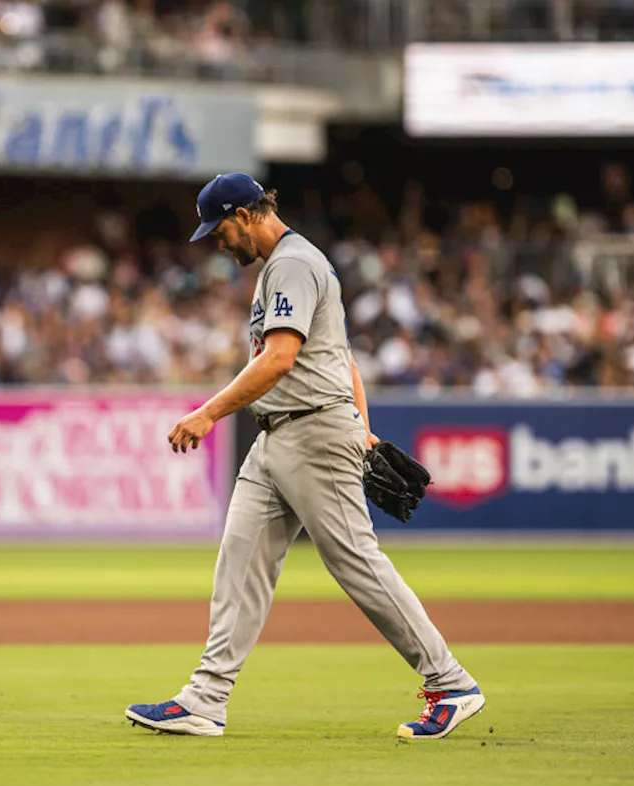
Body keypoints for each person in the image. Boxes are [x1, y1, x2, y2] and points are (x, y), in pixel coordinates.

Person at [125, 174, 484, 740]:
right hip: (278, 437)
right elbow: (345, 361)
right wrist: (363, 430)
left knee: (355, 562)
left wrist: (207, 414)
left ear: (245, 214)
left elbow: (280, 359)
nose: (216, 243)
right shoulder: (283, 266)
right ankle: (206, 699)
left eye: (218, 230)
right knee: (239, 562)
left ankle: (450, 681)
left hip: (313, 432)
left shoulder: (292, 262)